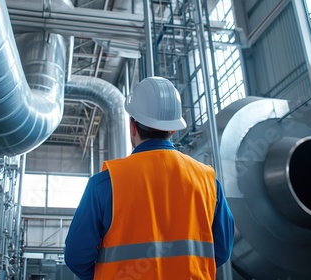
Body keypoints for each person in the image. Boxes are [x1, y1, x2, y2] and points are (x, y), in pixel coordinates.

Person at [64, 77, 234, 279]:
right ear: (172, 129)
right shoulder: (208, 182)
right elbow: (221, 251)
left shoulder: (104, 183)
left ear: (133, 127)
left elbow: (76, 256)